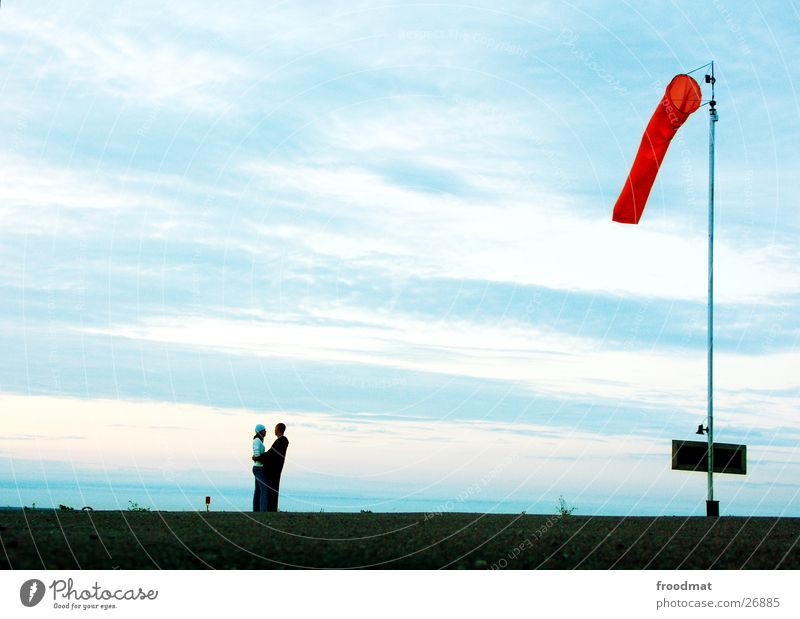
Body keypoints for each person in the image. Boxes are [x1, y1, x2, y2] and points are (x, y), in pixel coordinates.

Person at [253, 423, 289, 512]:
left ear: (277, 429)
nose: (274, 430)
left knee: (262, 491)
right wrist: (258, 457)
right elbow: (270, 454)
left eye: (275, 428)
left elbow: (270, 454)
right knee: (263, 491)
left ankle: (262, 510)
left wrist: (257, 458)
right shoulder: (280, 441)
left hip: (273, 470)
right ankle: (263, 510)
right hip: (267, 469)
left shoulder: (281, 441)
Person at [252, 423, 268, 512]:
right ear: (260, 431)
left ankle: (256, 510)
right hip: (259, 468)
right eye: (264, 430)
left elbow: (257, 456)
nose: (266, 431)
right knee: (264, 491)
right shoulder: (257, 440)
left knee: (258, 491)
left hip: (258, 468)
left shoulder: (259, 440)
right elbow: (257, 455)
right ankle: (262, 511)